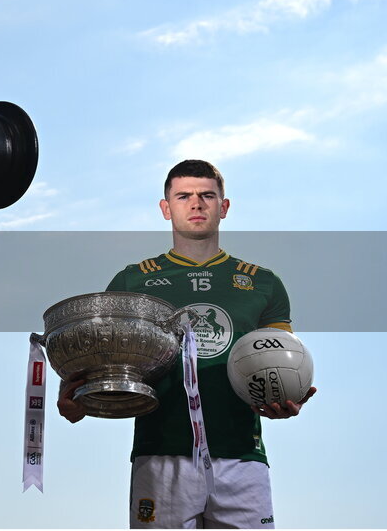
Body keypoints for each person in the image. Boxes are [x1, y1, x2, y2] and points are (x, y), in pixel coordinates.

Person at [56, 159, 316, 528]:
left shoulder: (263, 283)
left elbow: (281, 359)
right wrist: (81, 399)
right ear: (166, 208)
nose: (196, 203)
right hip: (161, 454)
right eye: (184, 196)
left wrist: (288, 393)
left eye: (207, 195)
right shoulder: (132, 282)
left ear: (224, 207)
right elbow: (105, 364)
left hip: (242, 455)